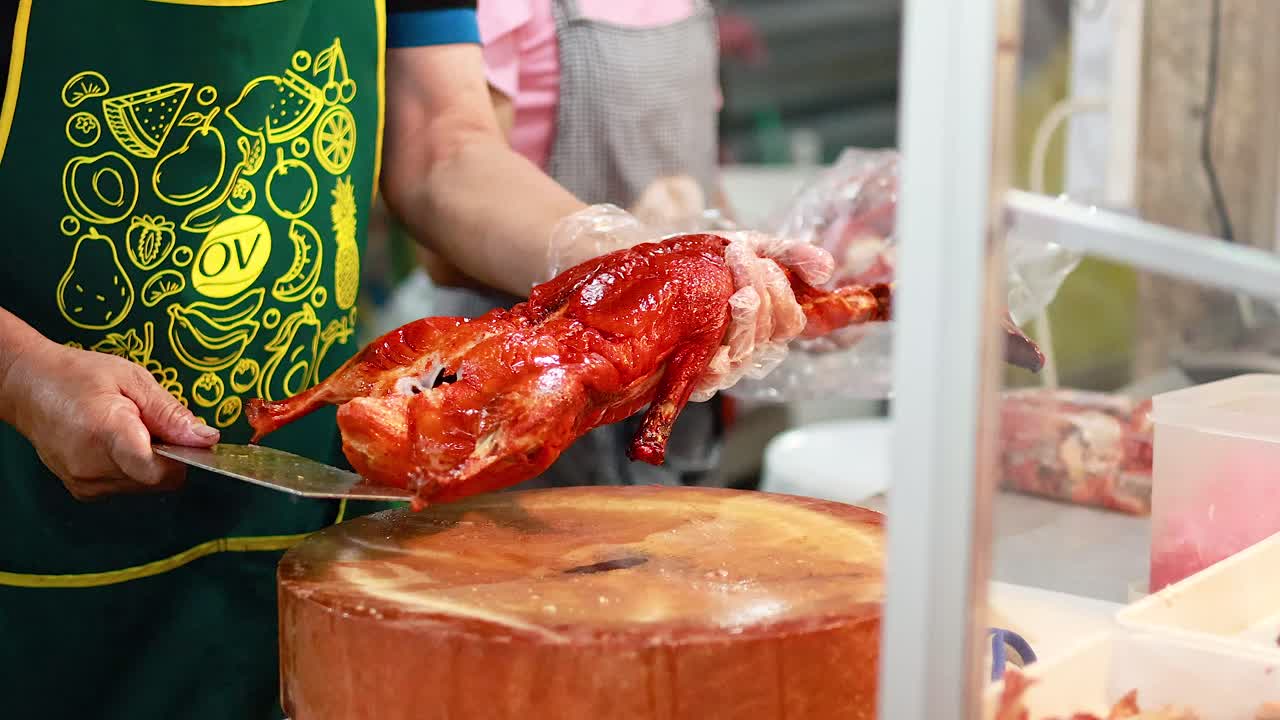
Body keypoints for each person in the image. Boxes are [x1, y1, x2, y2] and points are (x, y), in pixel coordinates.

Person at [0, 1, 819, 717]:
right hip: (36, 564)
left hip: (296, 525)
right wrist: (23, 372)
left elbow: (442, 146)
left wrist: (632, 267)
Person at [382, 0, 731, 491]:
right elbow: (441, 236)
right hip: (530, 394)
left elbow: (701, 172)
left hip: (672, 393)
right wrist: (634, 264)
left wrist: (755, 272)